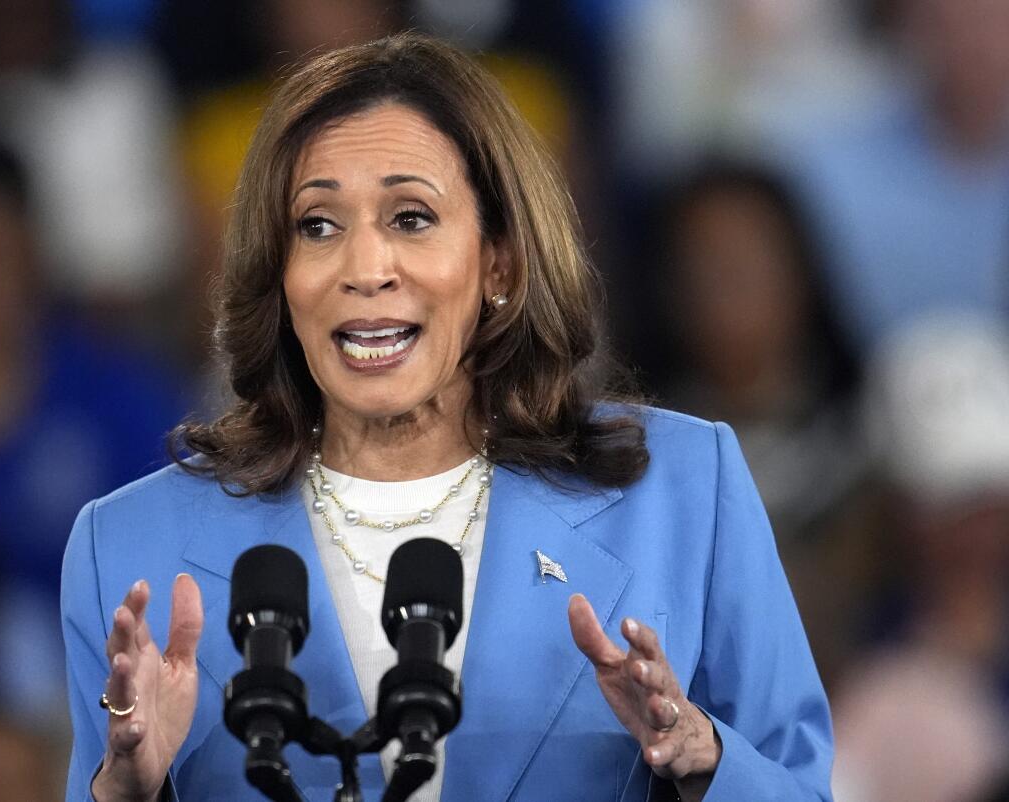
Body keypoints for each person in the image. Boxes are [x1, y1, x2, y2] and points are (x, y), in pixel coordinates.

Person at [61, 33, 833, 802]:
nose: (364, 270)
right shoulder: (128, 549)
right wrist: (123, 794)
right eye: (318, 226)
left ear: (498, 259)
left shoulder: (681, 494)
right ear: (279, 273)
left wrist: (702, 759)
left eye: (410, 218)